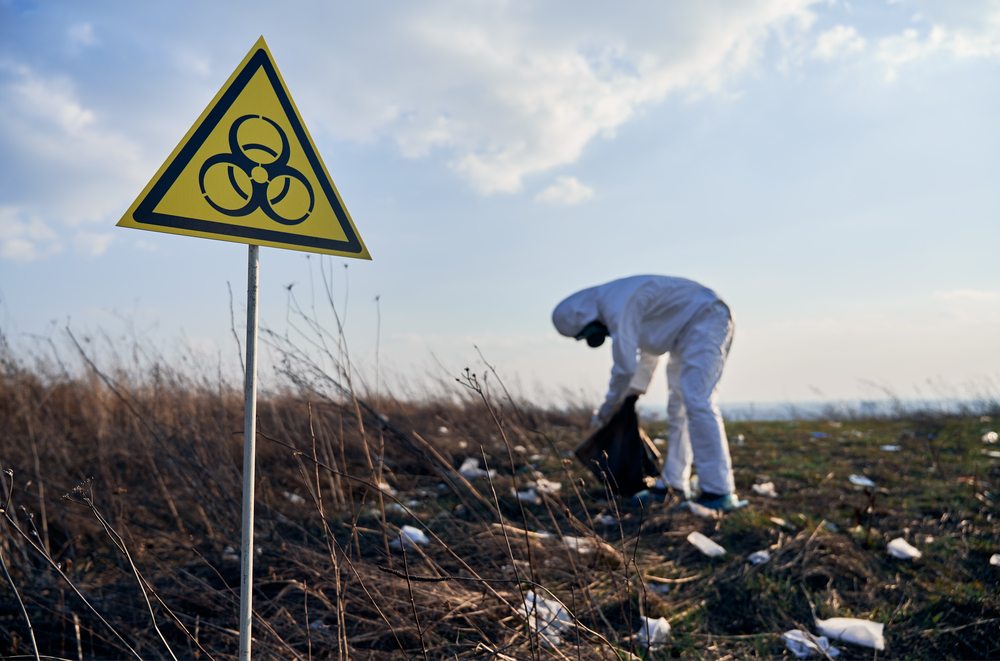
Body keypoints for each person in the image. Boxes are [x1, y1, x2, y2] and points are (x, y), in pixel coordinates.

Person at [552, 275, 746, 511]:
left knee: (697, 401)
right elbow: (648, 352)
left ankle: (719, 491)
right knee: (678, 409)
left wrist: (606, 409)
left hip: (707, 318)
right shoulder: (614, 302)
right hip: (682, 334)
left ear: (582, 319)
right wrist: (633, 394)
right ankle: (673, 483)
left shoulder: (617, 305)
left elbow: (624, 367)